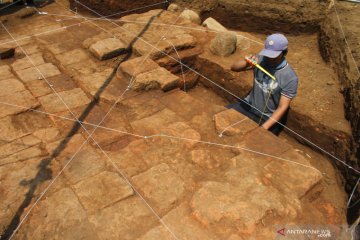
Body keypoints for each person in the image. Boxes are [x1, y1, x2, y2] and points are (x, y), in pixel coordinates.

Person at [229, 33, 298, 135]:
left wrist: (263, 129)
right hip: (248, 105)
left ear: (284, 53)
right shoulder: (261, 59)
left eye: (273, 55)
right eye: (268, 53)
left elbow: (282, 107)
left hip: (267, 117)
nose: (269, 58)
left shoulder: (289, 77)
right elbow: (233, 68)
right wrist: (246, 63)